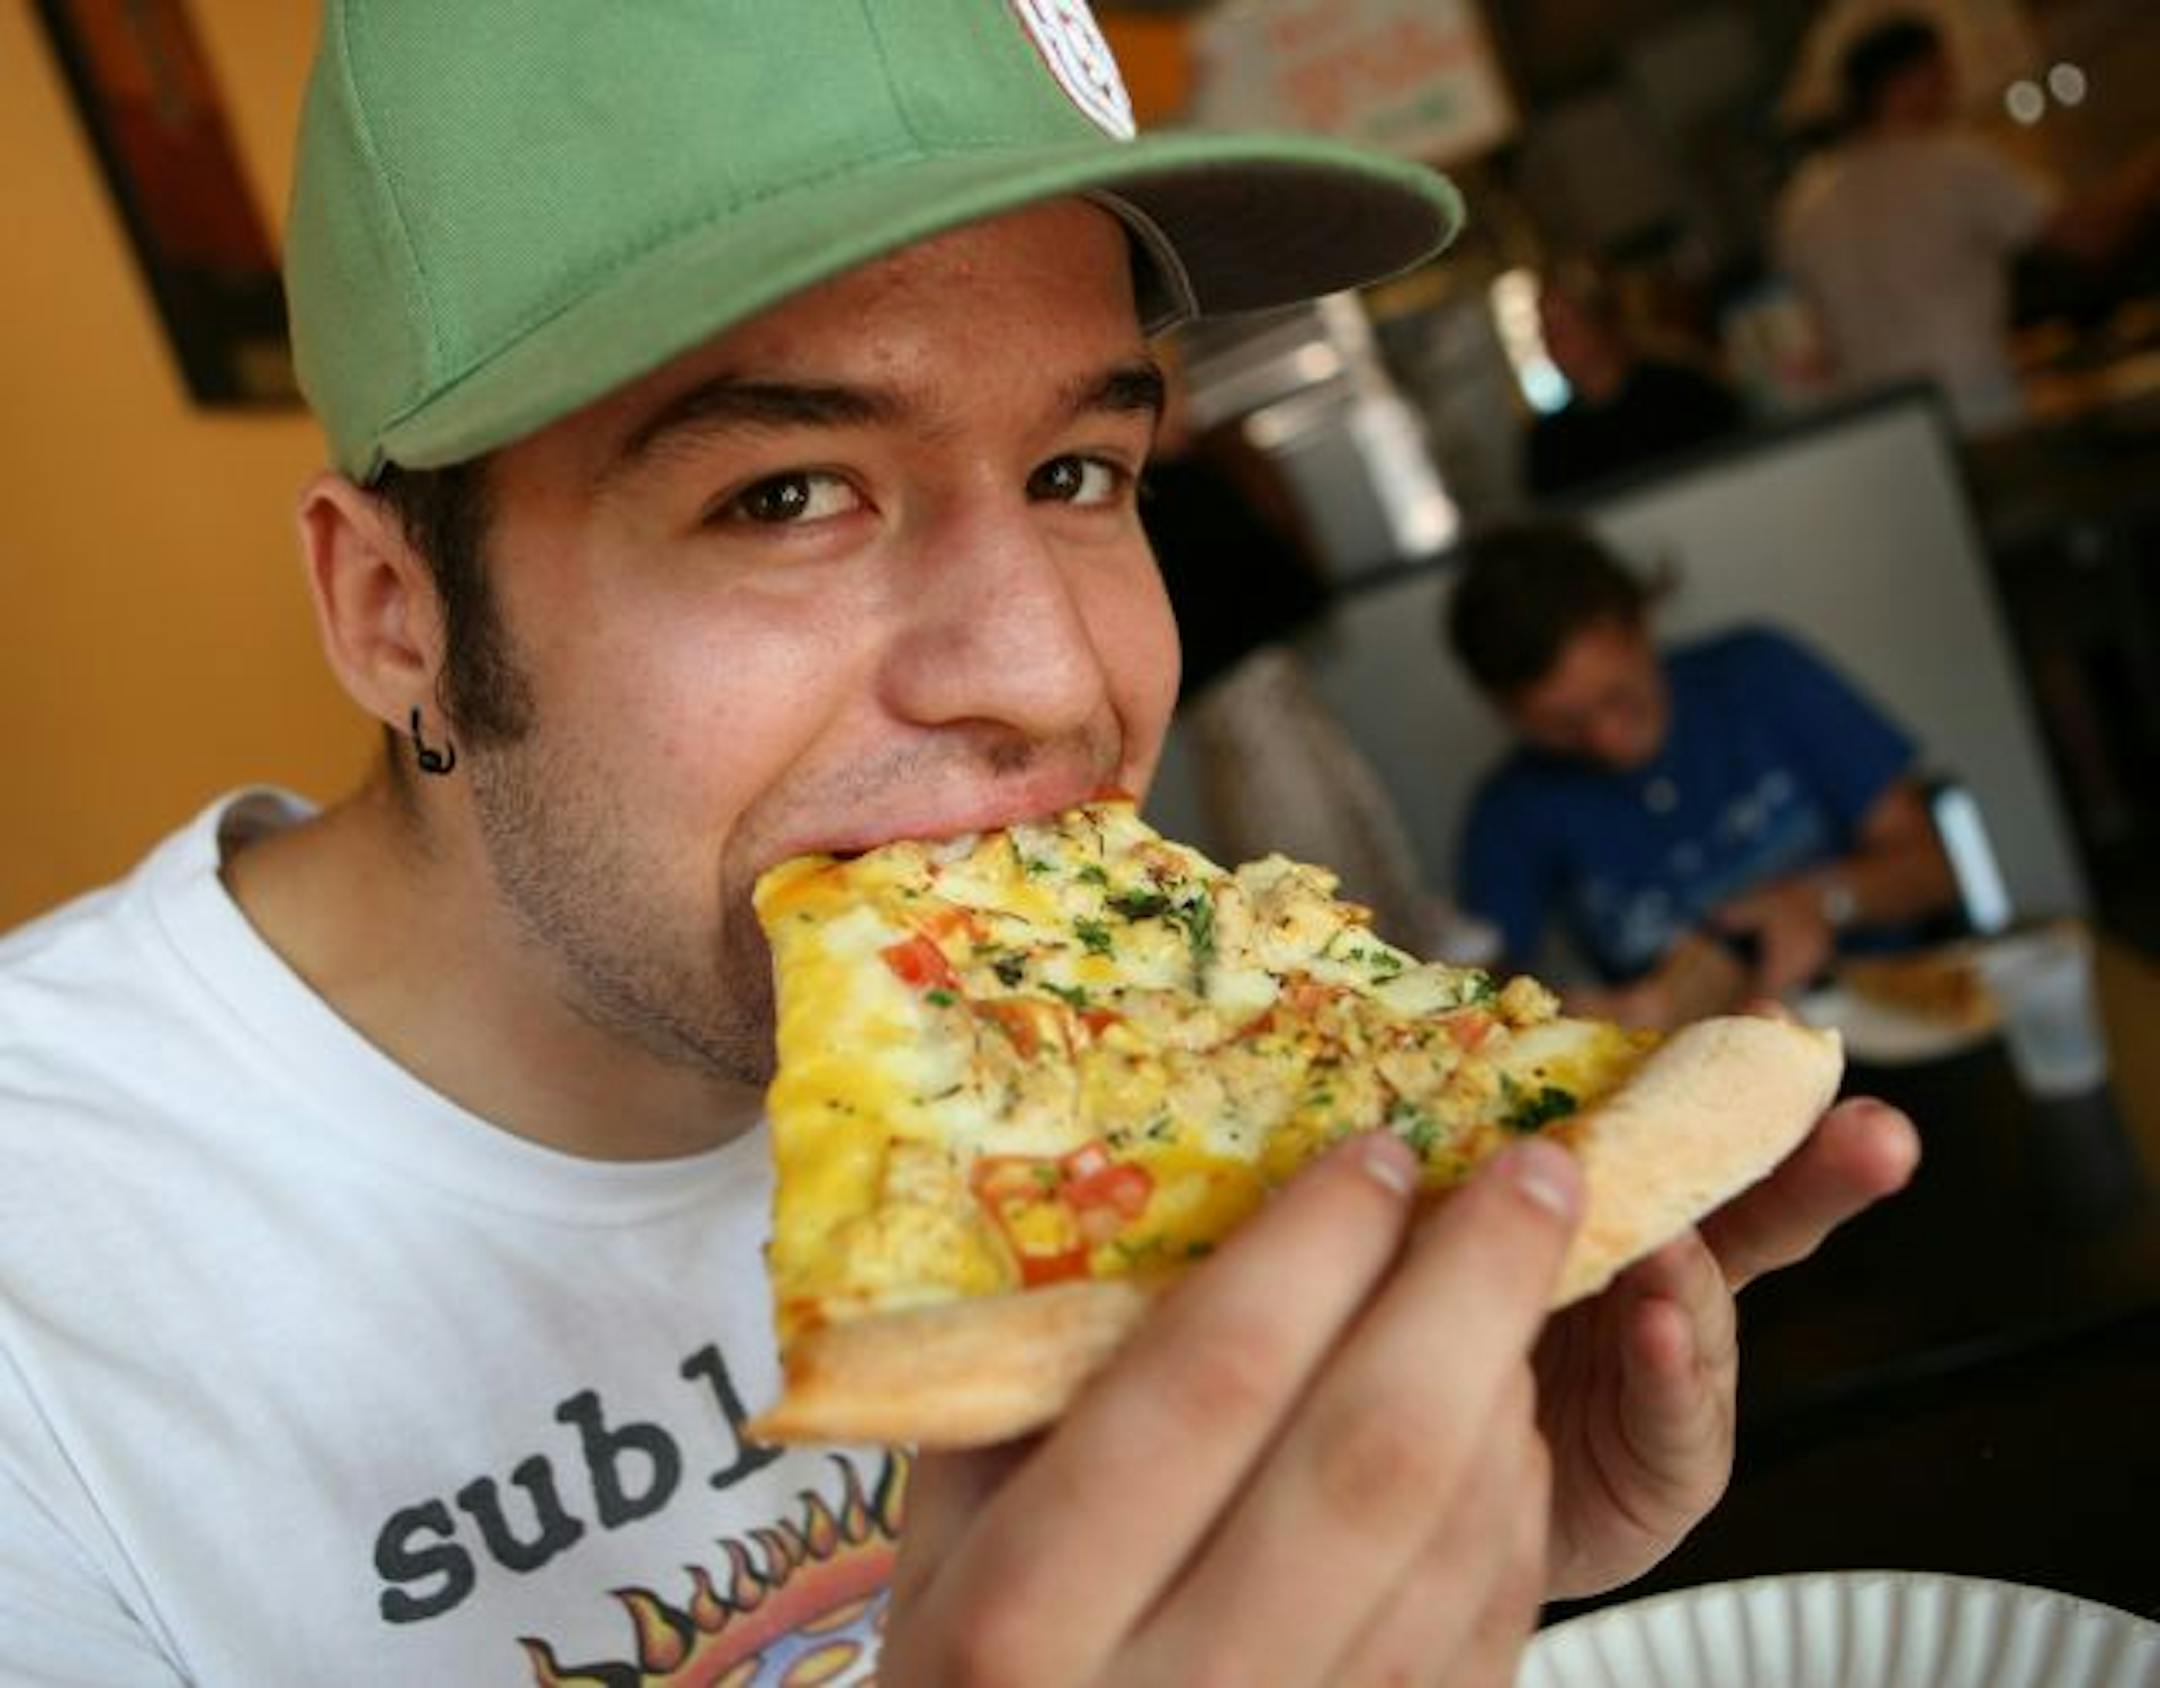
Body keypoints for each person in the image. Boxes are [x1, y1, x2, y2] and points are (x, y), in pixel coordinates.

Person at [0, 5, 1920, 1683]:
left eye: (1083, 470)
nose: (1050, 676)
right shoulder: (45, 1328)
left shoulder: (1172, 1106)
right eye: (787, 493)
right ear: (394, 609)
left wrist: (1412, 1537)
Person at [1446, 521, 1958, 1027]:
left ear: (1641, 626)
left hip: (1892, 1014)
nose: (1606, 739)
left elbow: (1937, 866)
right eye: (1562, 726)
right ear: (1506, 714)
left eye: (1619, 698)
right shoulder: (1511, 812)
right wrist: (1575, 1012)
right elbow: (1477, 989)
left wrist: (1824, 902)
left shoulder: (1760, 676)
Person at [1776, 13, 2160, 434]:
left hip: (1888, 434)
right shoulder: (1953, 162)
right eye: (1943, 74)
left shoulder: (1803, 202)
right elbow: (2088, 236)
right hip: (1979, 416)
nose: (1952, 90)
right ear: (1911, 80)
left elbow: (1820, 347)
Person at [1524, 258, 1748, 500]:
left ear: (1598, 323)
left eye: (1561, 328)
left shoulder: (1679, 394)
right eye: (1545, 332)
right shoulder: (1550, 442)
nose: (1552, 343)